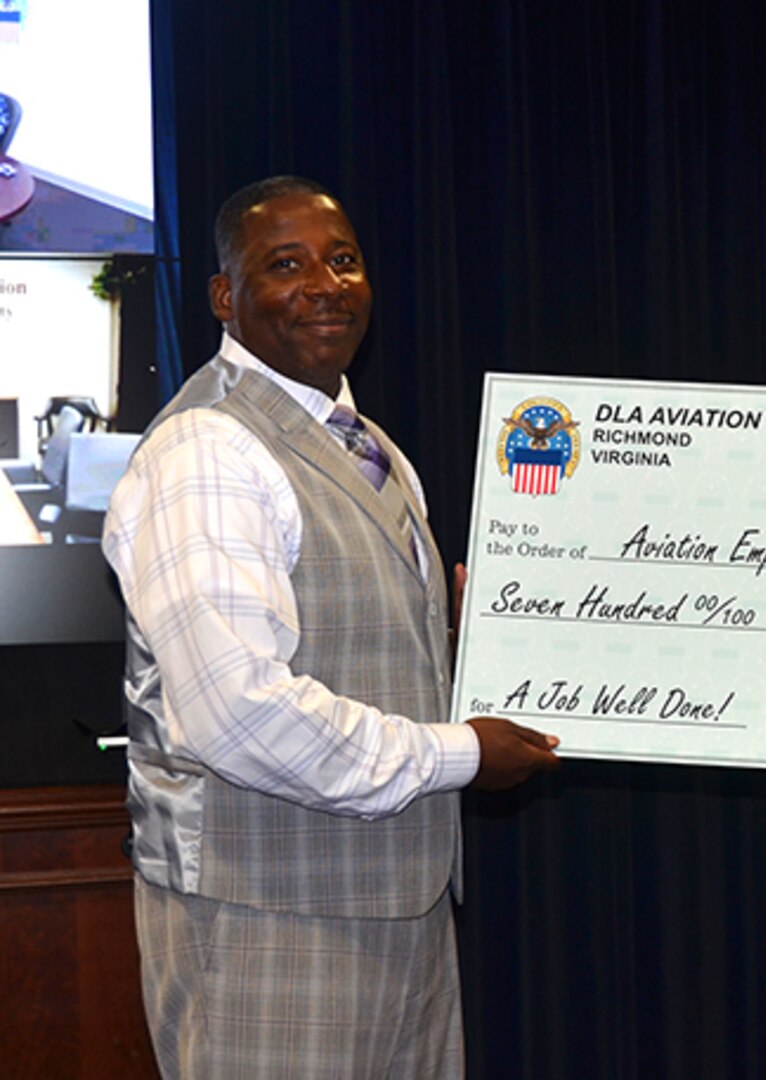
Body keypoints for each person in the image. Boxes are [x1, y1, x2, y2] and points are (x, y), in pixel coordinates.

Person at [103, 176, 560, 1079]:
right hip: (266, 926)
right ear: (226, 297)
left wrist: (471, 637)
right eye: (286, 265)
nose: (325, 284)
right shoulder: (207, 451)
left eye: (343, 260)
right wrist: (463, 753)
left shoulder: (371, 445)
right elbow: (236, 714)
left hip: (401, 909)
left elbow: (357, 643)